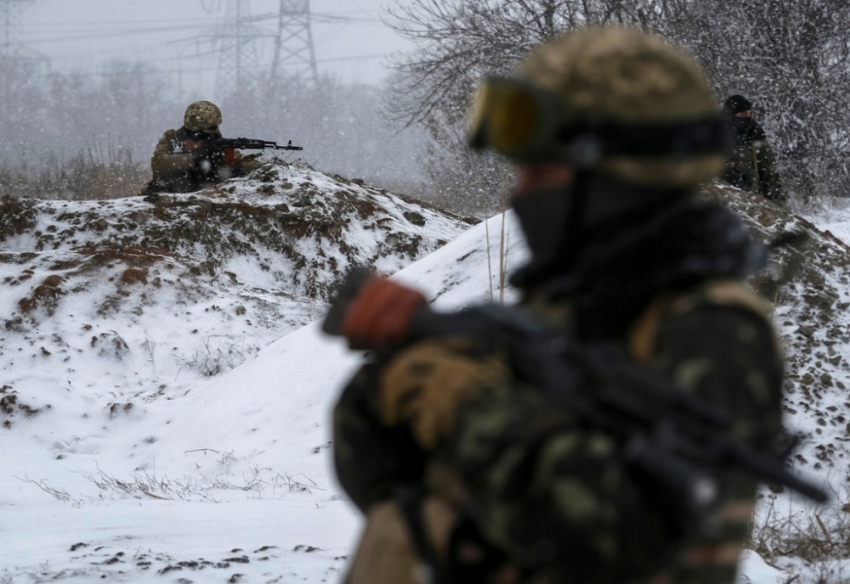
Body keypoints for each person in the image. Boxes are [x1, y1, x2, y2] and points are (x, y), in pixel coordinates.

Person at [330, 27, 785, 584]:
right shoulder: (567, 300)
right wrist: (394, 378)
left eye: (542, 171)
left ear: (620, 174)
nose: (521, 192)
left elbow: (621, 534)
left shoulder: (713, 326)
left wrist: (467, 401)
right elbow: (387, 479)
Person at [141, 100, 259, 201]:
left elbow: (243, 162)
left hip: (208, 198)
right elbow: (159, 164)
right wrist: (196, 157)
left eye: (216, 127)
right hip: (172, 197)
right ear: (195, 129)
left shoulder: (218, 144)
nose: (215, 132)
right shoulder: (172, 137)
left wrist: (239, 164)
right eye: (210, 128)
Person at [721, 94, 784, 203]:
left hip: (753, 204)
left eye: (749, 113)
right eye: (743, 114)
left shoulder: (756, 138)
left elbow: (771, 178)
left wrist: (780, 207)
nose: (747, 118)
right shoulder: (715, 138)